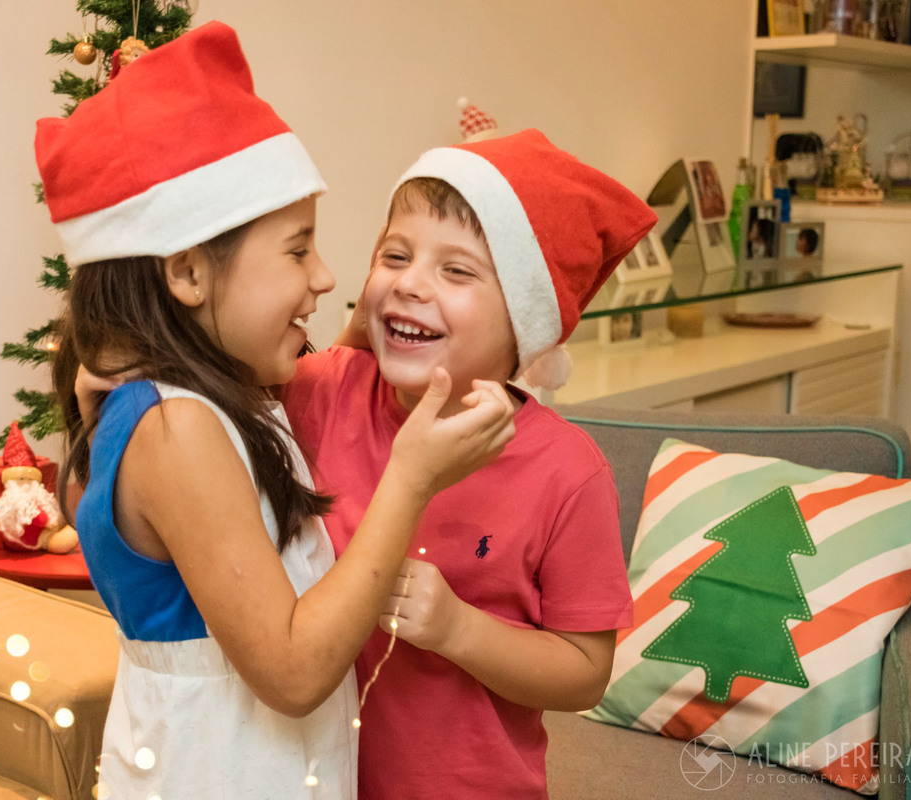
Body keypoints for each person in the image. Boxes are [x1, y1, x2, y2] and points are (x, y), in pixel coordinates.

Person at [38, 22, 515, 800]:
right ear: (188, 272)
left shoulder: (216, 398)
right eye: (298, 250)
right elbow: (292, 673)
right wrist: (411, 479)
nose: (326, 278)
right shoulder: (178, 430)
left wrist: (397, 299)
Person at [279, 130, 652, 797]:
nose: (410, 283)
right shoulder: (323, 394)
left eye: (456, 271)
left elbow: (585, 672)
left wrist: (459, 629)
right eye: (395, 255)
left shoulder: (568, 472)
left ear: (525, 321)